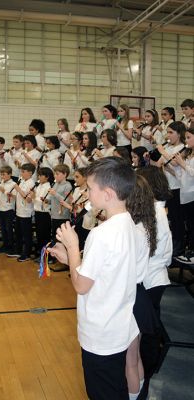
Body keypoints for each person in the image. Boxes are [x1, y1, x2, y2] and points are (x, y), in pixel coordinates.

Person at [49, 157, 139, 400]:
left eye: (89, 188)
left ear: (107, 193)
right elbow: (104, 271)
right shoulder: (128, 222)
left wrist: (71, 246)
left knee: (103, 392)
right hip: (119, 322)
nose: (86, 193)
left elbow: (81, 285)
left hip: (101, 332)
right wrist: (72, 260)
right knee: (116, 384)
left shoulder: (101, 234)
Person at [136, 166, 172, 397]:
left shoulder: (156, 214)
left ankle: (146, 374)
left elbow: (159, 253)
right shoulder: (154, 212)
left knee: (148, 333)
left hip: (152, 278)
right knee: (147, 330)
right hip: (152, 277)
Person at [125, 175, 157, 400]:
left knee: (130, 362)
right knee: (134, 359)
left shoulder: (133, 231)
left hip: (132, 298)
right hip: (138, 294)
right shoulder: (142, 226)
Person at [155, 121, 186, 256]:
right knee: (169, 217)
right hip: (167, 187)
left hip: (178, 187)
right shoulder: (168, 147)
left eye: (171, 132)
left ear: (179, 134)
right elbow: (158, 164)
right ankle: (169, 243)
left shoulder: (182, 148)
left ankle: (179, 246)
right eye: (167, 132)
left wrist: (162, 151)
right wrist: (149, 158)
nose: (168, 136)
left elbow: (174, 162)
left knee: (177, 218)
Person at [171, 128, 194, 262]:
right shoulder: (189, 155)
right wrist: (172, 169)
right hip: (185, 194)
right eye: (185, 137)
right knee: (190, 226)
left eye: (189, 137)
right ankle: (189, 252)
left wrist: (182, 163)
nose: (186, 140)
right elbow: (183, 176)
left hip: (192, 195)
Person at [9, 163, 36, 261]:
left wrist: (18, 189)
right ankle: (18, 250)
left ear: (30, 173)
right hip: (19, 211)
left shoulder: (31, 183)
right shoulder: (22, 181)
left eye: (23, 172)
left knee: (26, 234)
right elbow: (19, 195)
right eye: (21, 171)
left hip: (26, 212)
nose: (21, 173)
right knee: (18, 233)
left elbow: (28, 198)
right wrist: (12, 194)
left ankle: (27, 253)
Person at [30, 167, 54, 261]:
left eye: (40, 175)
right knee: (39, 234)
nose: (38, 177)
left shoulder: (48, 187)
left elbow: (43, 201)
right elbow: (35, 201)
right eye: (38, 175)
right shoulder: (38, 186)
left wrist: (34, 197)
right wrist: (33, 197)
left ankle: (47, 256)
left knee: (45, 235)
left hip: (45, 214)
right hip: (37, 212)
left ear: (47, 177)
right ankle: (40, 253)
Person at [0, 166, 16, 254]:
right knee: (3, 228)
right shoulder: (1, 183)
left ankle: (11, 246)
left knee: (8, 228)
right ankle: (4, 245)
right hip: (1, 208)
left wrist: (5, 191)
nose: (2, 176)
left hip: (9, 209)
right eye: (1, 174)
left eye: (4, 174)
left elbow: (14, 197)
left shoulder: (13, 184)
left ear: (10, 174)